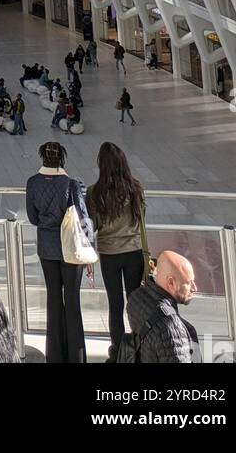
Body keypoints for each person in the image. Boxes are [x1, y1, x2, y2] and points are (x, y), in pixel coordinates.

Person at [25, 140, 94, 363]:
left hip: (47, 249)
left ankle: (54, 355)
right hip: (71, 249)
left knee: (53, 299)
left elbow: (33, 218)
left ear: (42, 158)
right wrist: (90, 248)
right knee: (72, 300)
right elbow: (83, 219)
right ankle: (76, 356)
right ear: (62, 159)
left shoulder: (33, 183)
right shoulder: (70, 184)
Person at [86, 141, 147, 359]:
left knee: (115, 303)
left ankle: (118, 351)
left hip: (109, 253)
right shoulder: (136, 188)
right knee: (136, 302)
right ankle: (140, 346)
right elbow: (141, 219)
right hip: (134, 252)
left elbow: (91, 226)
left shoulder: (94, 192)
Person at [125, 251, 199, 362]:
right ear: (171, 283)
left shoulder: (136, 298)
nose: (194, 288)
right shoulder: (172, 330)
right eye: (188, 283)